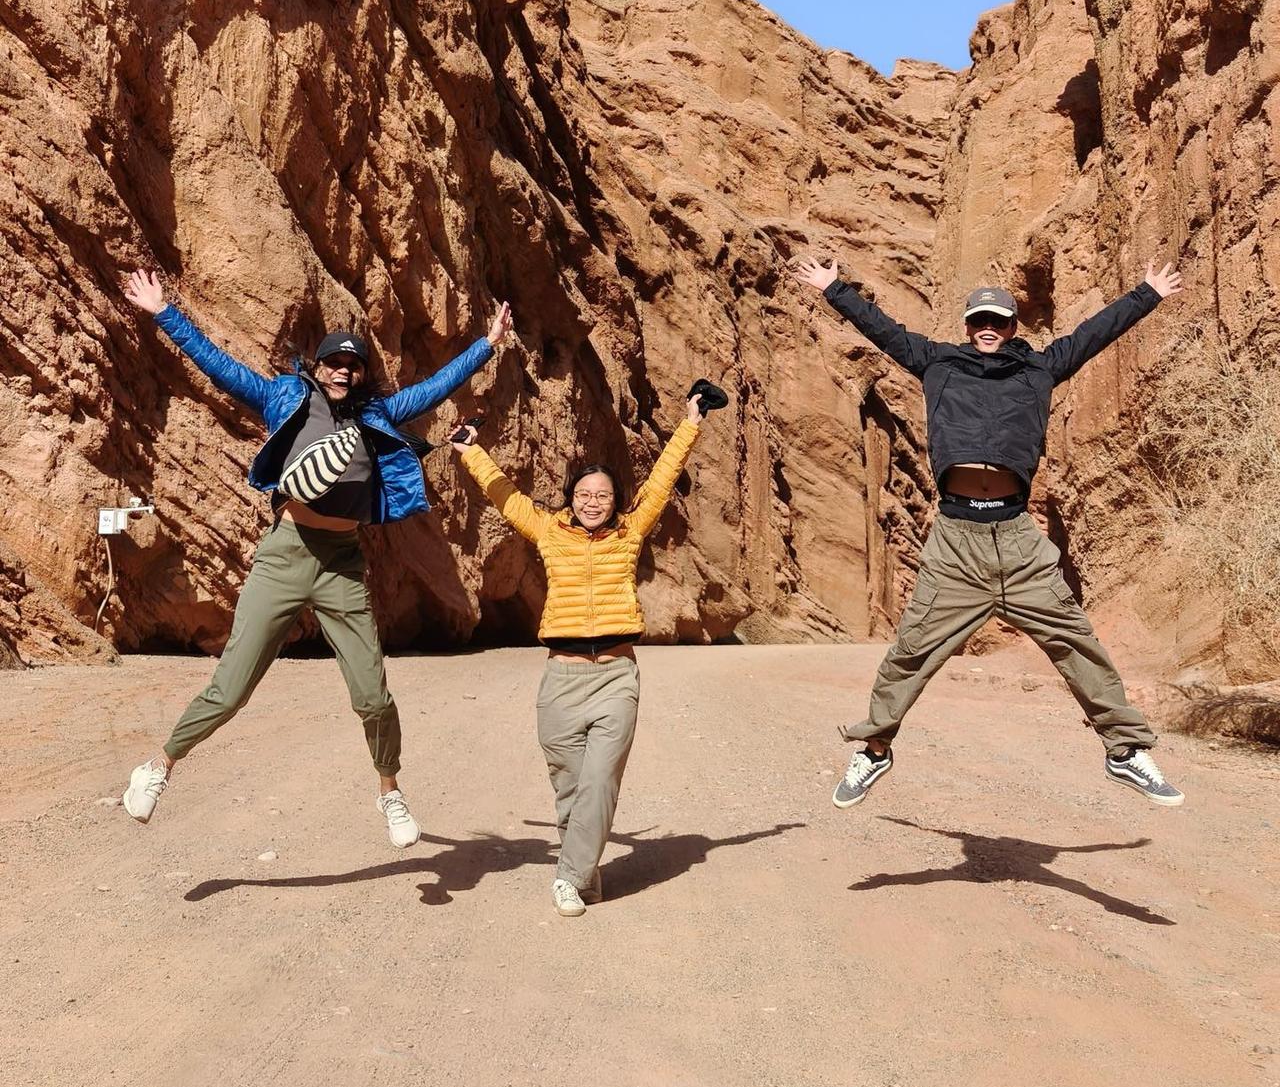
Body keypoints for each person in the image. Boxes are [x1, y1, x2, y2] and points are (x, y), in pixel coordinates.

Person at [120, 269, 512, 843]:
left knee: (372, 693)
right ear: (318, 366)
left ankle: (391, 792)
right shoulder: (287, 395)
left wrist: (487, 345)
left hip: (342, 562)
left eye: (353, 366)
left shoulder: (377, 413)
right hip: (285, 553)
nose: (343, 372)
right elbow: (221, 367)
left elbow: (433, 388)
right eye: (334, 362)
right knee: (230, 688)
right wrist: (165, 314)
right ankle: (159, 767)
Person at [793, 256, 1185, 808]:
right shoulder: (936, 363)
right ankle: (874, 748)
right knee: (912, 650)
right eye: (980, 319)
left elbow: (1096, 334)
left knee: (1075, 641)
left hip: (1017, 537)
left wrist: (1147, 292)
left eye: (998, 321)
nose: (988, 329)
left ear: (1011, 327)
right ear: (967, 323)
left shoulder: (1041, 369)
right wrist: (834, 288)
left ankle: (1124, 752)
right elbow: (881, 329)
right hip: (956, 538)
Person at [448, 382, 725, 917]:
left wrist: (691, 421)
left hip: (616, 677)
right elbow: (504, 495)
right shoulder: (550, 531)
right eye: (583, 494)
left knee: (600, 781)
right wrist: (470, 451)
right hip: (561, 680)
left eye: (602, 495)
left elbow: (663, 478)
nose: (593, 502)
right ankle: (586, 871)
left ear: (616, 500)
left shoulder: (630, 530)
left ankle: (567, 876)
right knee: (570, 788)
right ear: (570, 498)